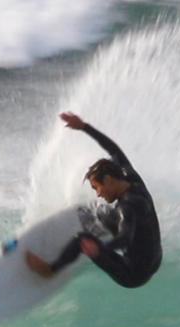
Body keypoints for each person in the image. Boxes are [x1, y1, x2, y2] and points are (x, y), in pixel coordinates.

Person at [25, 112, 162, 289]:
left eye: (97, 187)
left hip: (131, 274)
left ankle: (50, 270)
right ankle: (98, 229)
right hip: (153, 262)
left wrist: (100, 249)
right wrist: (84, 127)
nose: (98, 193)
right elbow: (114, 149)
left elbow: (125, 239)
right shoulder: (134, 181)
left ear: (108, 180)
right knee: (98, 211)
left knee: (82, 239)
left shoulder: (126, 207)